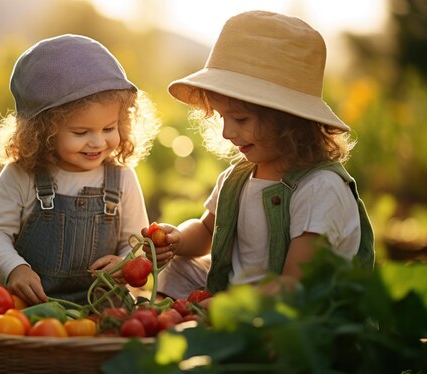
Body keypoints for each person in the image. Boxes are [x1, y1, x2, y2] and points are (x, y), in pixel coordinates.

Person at [144, 10, 375, 300]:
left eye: (240, 119)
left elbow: (296, 284)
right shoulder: (237, 178)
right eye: (221, 116)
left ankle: (201, 327)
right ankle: (170, 327)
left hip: (300, 313)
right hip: (239, 295)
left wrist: (229, 306)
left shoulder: (320, 188)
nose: (227, 132)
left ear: (288, 120)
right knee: (181, 268)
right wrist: (177, 238)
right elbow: (206, 230)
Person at [0, 34, 160, 305]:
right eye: (81, 132)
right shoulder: (21, 176)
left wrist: (124, 263)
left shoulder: (122, 178)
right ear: (43, 132)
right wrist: (16, 268)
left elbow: (136, 245)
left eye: (109, 128)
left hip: (103, 302)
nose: (98, 141)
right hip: (31, 303)